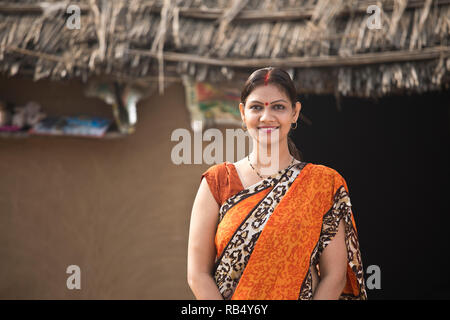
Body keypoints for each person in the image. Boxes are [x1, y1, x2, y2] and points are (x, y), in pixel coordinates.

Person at [187, 67, 367, 300]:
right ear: (242, 113)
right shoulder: (218, 182)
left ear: (295, 113)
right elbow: (197, 275)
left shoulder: (323, 184)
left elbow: (335, 275)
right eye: (256, 107)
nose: (266, 117)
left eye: (278, 107)